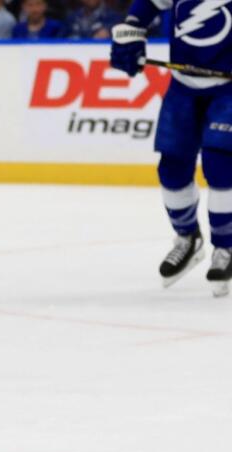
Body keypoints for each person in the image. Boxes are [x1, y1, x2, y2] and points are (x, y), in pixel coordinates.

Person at [111, 0, 232, 295]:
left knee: (220, 164)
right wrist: (132, 29)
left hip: (228, 88)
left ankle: (225, 247)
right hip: (183, 86)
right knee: (172, 167)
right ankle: (188, 239)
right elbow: (150, 3)